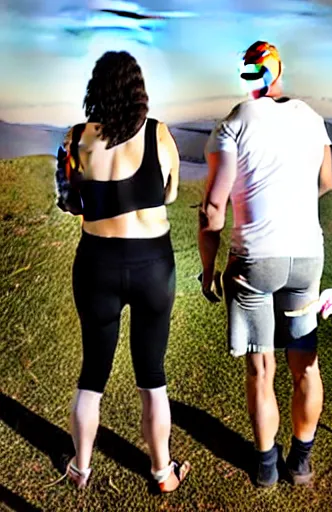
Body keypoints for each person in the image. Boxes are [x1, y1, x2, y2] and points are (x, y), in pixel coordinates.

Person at [198, 41, 332, 487]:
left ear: (250, 76)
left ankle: (265, 467)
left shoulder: (235, 121)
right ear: (278, 72)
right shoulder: (313, 119)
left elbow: (212, 209)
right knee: (306, 364)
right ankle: (301, 462)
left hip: (255, 257)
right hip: (306, 256)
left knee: (261, 368)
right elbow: (326, 182)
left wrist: (207, 268)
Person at [59, 51, 190, 492]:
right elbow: (170, 194)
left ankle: (79, 468)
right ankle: (161, 472)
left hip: (96, 262)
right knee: (151, 375)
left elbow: (70, 201)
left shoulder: (75, 138)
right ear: (139, 91)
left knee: (92, 373)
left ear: (96, 89)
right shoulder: (159, 134)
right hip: (153, 264)